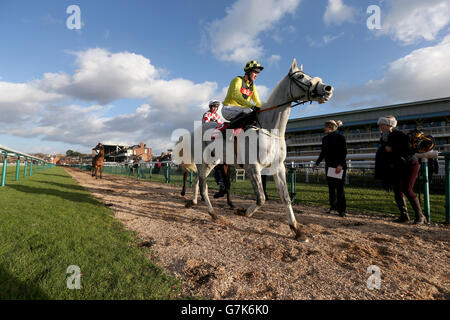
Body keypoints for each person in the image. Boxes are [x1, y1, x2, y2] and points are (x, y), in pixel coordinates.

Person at [376, 116, 425, 224]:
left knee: (407, 189)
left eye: (382, 124)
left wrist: (392, 149)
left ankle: (420, 216)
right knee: (398, 191)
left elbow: (408, 149)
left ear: (389, 125)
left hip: (410, 165)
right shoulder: (383, 137)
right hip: (398, 166)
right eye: (379, 124)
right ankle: (404, 216)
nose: (380, 126)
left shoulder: (399, 134)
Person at [312, 120, 347, 217]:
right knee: (331, 188)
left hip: (339, 166)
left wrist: (340, 165)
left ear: (330, 127)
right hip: (329, 166)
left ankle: (342, 210)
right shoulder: (325, 139)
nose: (324, 128)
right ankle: (333, 207)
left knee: (339, 188)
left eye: (326, 127)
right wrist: (316, 163)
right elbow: (323, 153)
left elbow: (343, 152)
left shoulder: (340, 137)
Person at [222, 60, 264, 130]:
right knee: (248, 110)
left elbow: (257, 102)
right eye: (255, 72)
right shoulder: (237, 80)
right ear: (248, 71)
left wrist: (264, 109)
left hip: (242, 111)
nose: (256, 75)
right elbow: (235, 95)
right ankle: (225, 133)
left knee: (256, 115)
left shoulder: (253, 86)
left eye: (258, 73)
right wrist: (252, 106)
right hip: (228, 108)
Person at [202, 100, 227, 198]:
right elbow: (207, 127)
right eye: (213, 106)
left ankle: (221, 182)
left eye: (216, 107)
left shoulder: (218, 117)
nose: (215, 108)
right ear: (210, 106)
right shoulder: (206, 115)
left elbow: (220, 127)